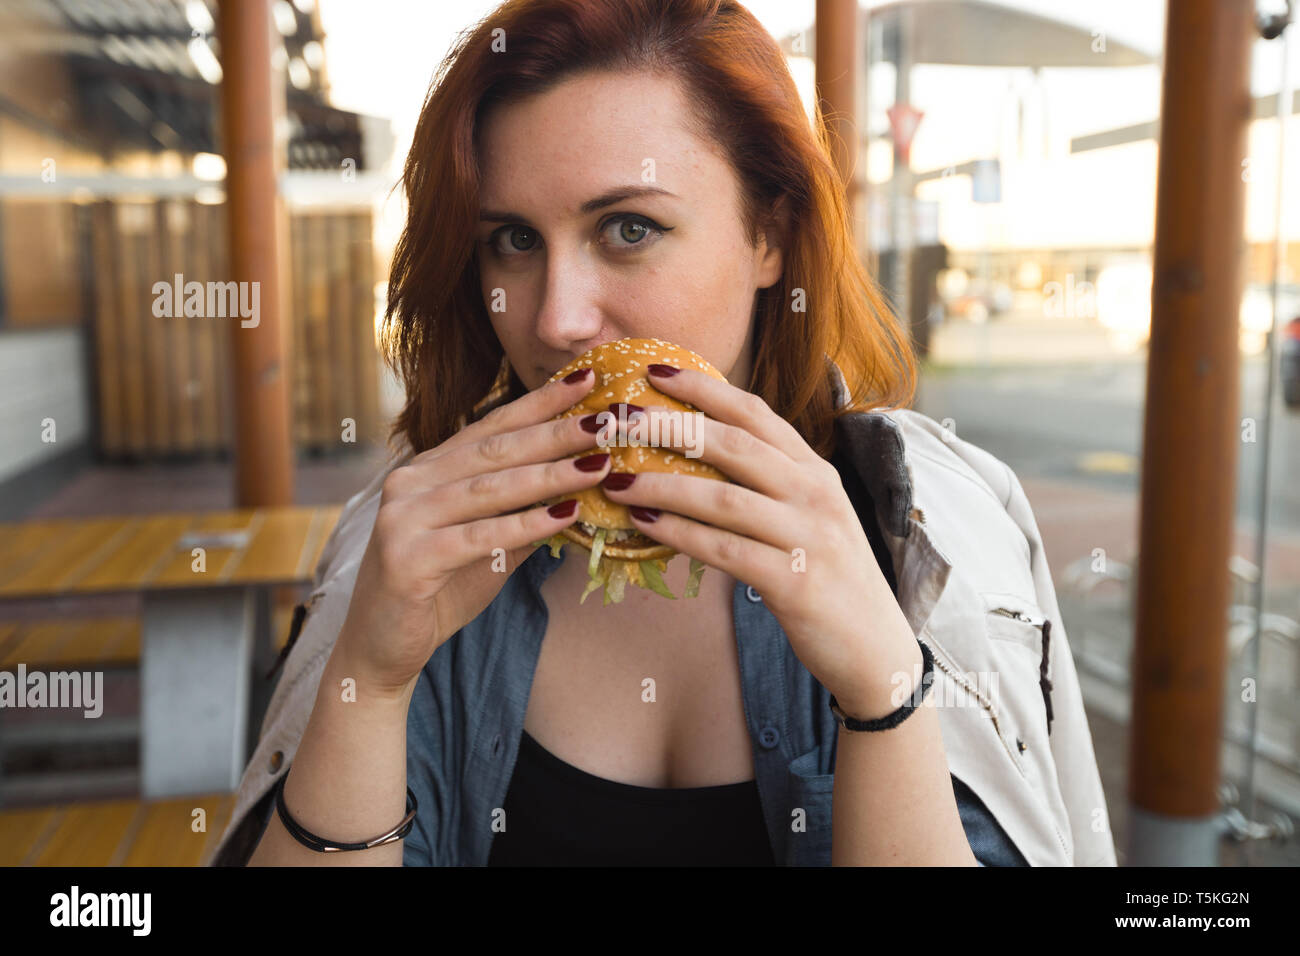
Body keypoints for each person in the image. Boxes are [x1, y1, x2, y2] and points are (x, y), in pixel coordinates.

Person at [213, 0, 1115, 867]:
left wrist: (886, 690)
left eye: (629, 228)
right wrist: (366, 686)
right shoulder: (408, 541)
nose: (559, 319)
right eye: (515, 241)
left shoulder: (929, 534)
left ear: (771, 233)